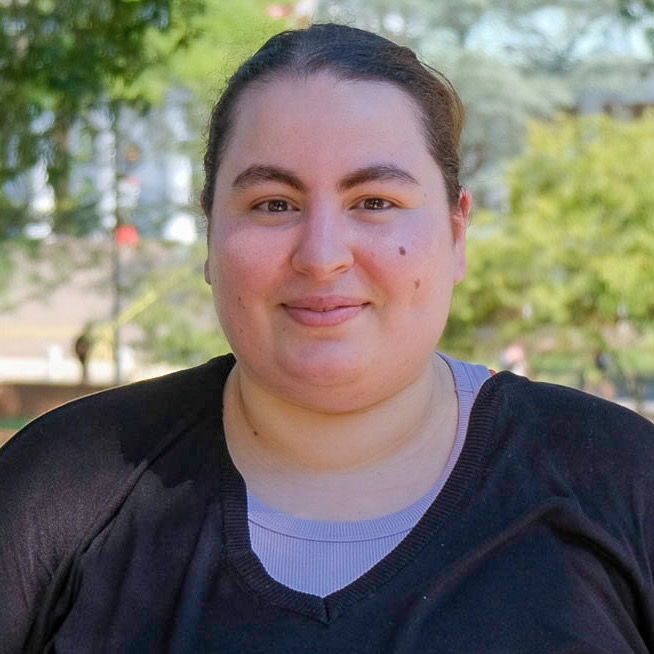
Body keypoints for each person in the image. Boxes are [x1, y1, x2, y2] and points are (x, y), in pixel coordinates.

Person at [1, 23, 653, 653]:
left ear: (457, 235)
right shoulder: (60, 490)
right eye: (273, 204)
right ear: (210, 235)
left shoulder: (619, 480)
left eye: (374, 201)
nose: (321, 256)